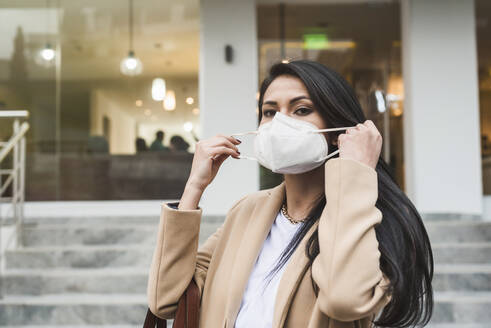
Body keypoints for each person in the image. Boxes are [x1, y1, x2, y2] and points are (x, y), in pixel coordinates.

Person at [147, 60, 434, 328]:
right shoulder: (247, 211)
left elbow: (344, 299)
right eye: (270, 112)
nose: (279, 124)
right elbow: (165, 299)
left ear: (338, 130)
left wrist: (356, 173)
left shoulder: (370, 219)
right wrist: (193, 189)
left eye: (301, 110)